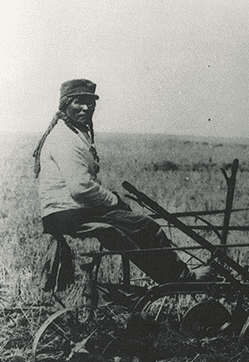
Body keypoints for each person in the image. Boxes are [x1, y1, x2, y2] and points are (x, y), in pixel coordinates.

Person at [33, 78, 210, 289]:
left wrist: (112, 201)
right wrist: (114, 200)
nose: (86, 108)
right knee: (146, 226)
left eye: (90, 103)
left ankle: (172, 278)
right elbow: (80, 188)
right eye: (79, 102)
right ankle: (181, 280)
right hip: (68, 212)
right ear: (65, 105)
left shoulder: (73, 132)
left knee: (136, 228)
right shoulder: (65, 138)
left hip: (66, 212)